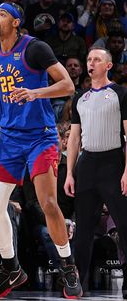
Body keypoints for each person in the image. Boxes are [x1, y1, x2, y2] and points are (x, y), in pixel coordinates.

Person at [0, 2, 81, 299]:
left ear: (15, 22)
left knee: (48, 204)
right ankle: (12, 267)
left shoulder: (34, 48)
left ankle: (67, 266)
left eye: (0, 15)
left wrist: (35, 92)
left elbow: (68, 86)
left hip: (41, 137)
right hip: (11, 139)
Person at [65, 48, 127, 294]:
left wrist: (126, 171)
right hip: (87, 163)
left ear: (108, 65)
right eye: (89, 59)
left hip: (113, 162)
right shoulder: (80, 96)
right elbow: (74, 138)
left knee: (123, 224)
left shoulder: (120, 93)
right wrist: (70, 173)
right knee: (84, 228)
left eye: (97, 59)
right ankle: (79, 281)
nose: (91, 63)